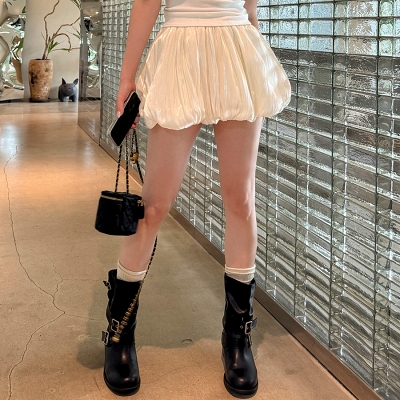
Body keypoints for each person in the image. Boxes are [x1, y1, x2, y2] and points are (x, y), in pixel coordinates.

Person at [101, 0, 291, 398]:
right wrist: (127, 77)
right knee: (155, 205)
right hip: (181, 49)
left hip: (238, 47)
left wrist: (257, 56)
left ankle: (236, 336)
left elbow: (249, 6)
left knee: (240, 199)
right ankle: (119, 330)